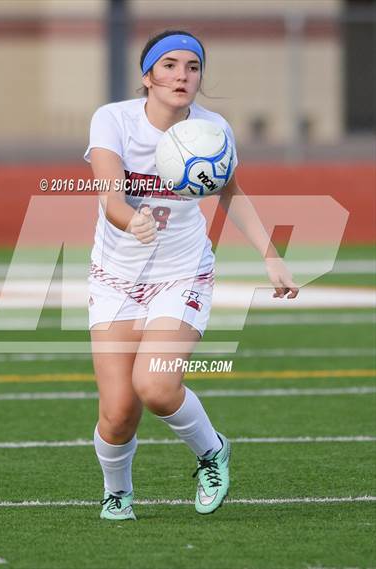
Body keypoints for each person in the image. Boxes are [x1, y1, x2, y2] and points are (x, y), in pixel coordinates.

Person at [84, 30, 298, 521]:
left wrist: (271, 255)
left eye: (193, 67)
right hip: (114, 277)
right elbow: (110, 195)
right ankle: (118, 492)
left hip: (182, 273)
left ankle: (211, 451)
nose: (182, 76)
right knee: (117, 414)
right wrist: (128, 219)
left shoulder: (212, 127)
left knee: (156, 385)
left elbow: (231, 193)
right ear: (148, 76)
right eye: (170, 66)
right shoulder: (113, 119)